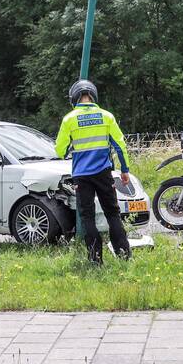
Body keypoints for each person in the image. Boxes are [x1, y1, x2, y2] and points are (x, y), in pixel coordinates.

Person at [56, 79, 133, 264]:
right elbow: (120, 145)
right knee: (112, 213)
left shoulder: (69, 119)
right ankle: (124, 254)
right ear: (93, 95)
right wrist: (125, 170)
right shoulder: (107, 116)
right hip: (103, 173)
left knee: (87, 217)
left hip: (81, 177)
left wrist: (71, 149)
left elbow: (60, 150)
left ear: (74, 97)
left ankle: (95, 259)